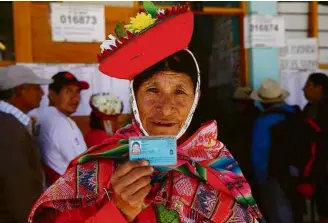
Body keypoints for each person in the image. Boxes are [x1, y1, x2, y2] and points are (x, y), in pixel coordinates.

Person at [29, 4, 264, 223]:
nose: (166, 107)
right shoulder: (98, 166)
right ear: (134, 97)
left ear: (195, 99)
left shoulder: (213, 161)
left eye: (180, 92)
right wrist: (119, 210)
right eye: (152, 90)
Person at [0, 65, 50, 223]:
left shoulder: (11, 123)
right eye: (37, 88)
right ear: (22, 89)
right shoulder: (8, 128)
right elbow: (16, 188)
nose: (42, 93)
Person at [250, 78, 302, 223]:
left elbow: (259, 155)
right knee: (292, 211)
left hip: (275, 176)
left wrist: (260, 179)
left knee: (278, 213)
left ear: (262, 102)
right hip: (297, 173)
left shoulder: (263, 122)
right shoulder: (295, 114)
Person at [35, 71, 89, 185]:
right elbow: (83, 165)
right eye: (68, 91)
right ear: (52, 94)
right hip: (69, 190)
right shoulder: (61, 122)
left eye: (78, 92)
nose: (75, 98)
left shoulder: (40, 116)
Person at [303, 73, 328, 220]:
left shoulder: (323, 108)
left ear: (319, 88)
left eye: (308, 85)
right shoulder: (311, 107)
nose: (304, 89)